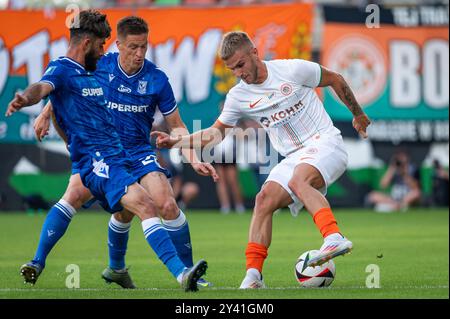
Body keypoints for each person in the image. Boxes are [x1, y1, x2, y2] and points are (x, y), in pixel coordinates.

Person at [6, 10, 209, 292]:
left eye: (144, 47)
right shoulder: (100, 64)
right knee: (86, 197)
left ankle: (187, 272)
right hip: (103, 153)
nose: (140, 53)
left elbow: (177, 126)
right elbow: (66, 84)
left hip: (136, 151)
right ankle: (45, 261)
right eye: (134, 47)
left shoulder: (157, 79)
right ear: (119, 45)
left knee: (165, 203)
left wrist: (193, 157)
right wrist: (45, 111)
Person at [152, 31, 371, 288]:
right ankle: (253, 276)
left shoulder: (293, 70)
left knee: (299, 180)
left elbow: (336, 78)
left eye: (241, 65)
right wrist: (177, 141)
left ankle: (333, 236)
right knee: (263, 199)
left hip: (325, 142)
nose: (239, 73)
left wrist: (358, 114)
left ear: (254, 52)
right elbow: (215, 133)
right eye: (233, 69)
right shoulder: (238, 96)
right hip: (294, 156)